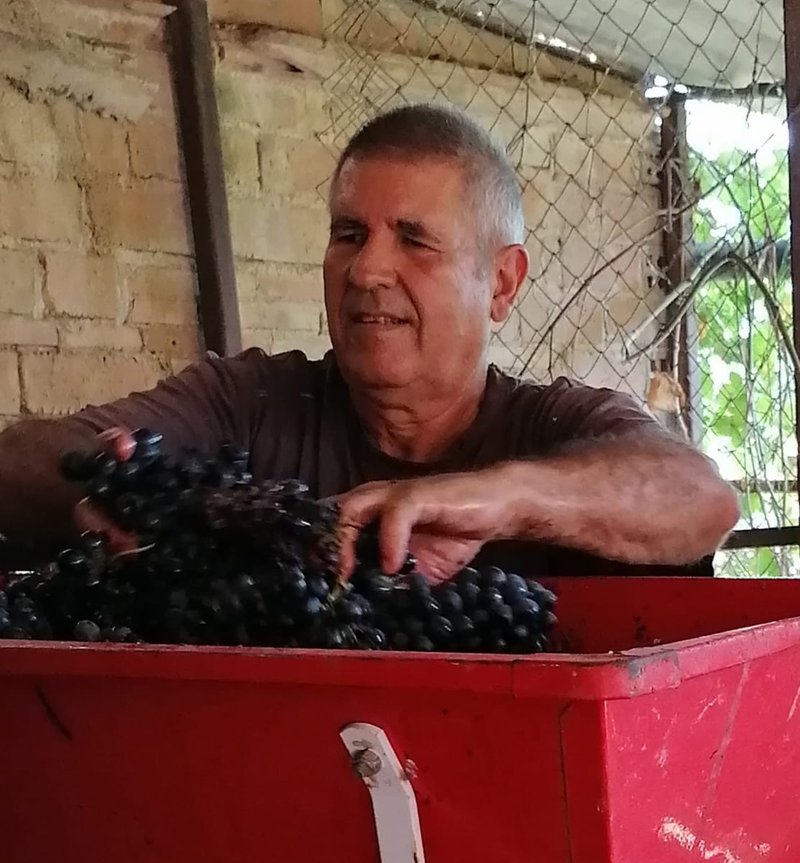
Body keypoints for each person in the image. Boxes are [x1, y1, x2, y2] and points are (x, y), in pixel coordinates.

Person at [0, 104, 739, 583]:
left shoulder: (554, 426)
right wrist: (105, 485)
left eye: (414, 240)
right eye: (349, 235)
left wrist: (498, 500)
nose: (366, 270)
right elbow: (19, 461)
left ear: (502, 283)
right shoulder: (251, 402)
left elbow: (701, 500)